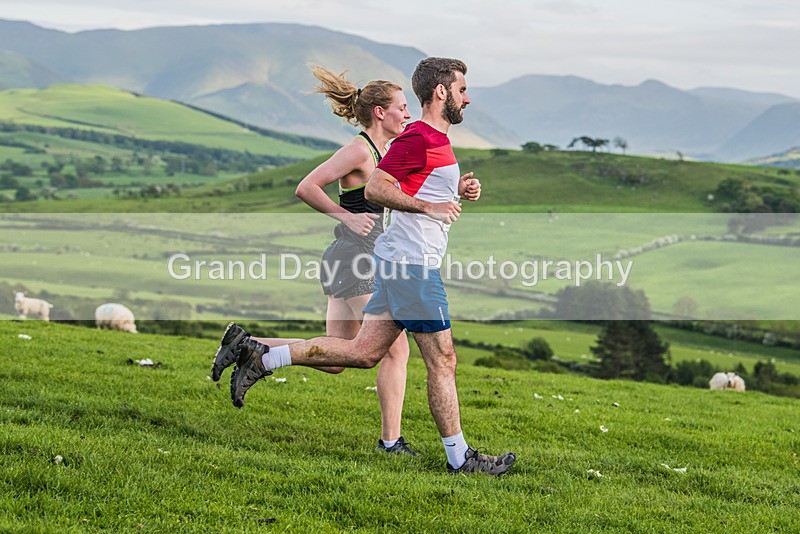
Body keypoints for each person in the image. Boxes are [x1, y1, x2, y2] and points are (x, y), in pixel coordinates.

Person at [223, 57, 516, 476]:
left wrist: (458, 188)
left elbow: (414, 182)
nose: (467, 98)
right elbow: (378, 188)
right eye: (462, 89)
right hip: (412, 266)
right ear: (441, 92)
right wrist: (429, 205)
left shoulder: (433, 139)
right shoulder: (416, 137)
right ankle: (460, 458)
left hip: (397, 260)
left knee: (362, 353)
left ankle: (262, 358)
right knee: (442, 359)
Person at [211, 65, 416, 455]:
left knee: (337, 356)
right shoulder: (358, 150)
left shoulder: (386, 152)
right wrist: (347, 216)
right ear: (379, 112)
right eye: (402, 107)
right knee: (394, 349)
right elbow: (306, 186)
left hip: (350, 258)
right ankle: (391, 443)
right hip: (357, 258)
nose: (407, 114)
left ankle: (247, 344)